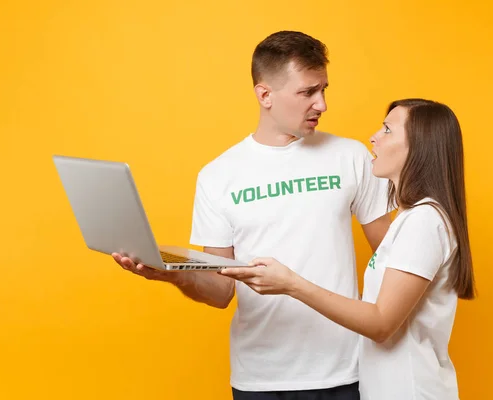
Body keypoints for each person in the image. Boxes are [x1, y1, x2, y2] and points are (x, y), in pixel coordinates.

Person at [113, 30, 392, 399]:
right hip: (260, 381)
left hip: (345, 373)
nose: (321, 104)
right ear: (265, 95)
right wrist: (170, 274)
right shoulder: (218, 175)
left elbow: (392, 256)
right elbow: (219, 290)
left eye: (323, 89)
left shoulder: (351, 156)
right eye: (307, 92)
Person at [221, 98, 477, 400]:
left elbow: (382, 323)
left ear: (419, 147)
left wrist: (291, 284)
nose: (374, 137)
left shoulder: (424, 221)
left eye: (387, 130)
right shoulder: (410, 219)